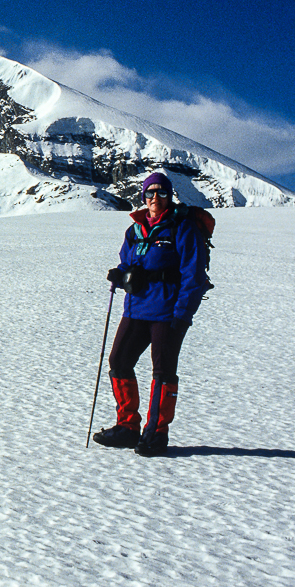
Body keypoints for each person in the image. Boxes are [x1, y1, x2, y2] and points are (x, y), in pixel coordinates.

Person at [93, 171, 212, 456]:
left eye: (161, 192)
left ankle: (156, 433)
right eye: (150, 192)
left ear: (170, 196)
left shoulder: (182, 228)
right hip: (136, 308)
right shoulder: (135, 229)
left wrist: (182, 315)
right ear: (143, 196)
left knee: (163, 371)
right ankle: (127, 427)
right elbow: (127, 262)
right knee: (119, 360)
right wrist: (119, 274)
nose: (155, 198)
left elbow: (193, 275)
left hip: (168, 312)